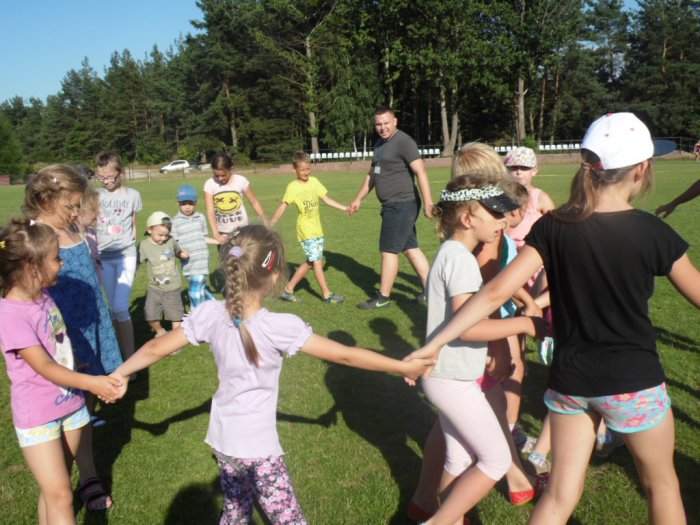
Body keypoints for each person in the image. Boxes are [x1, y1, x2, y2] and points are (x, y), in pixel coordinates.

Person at [407, 112, 700, 525]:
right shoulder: (653, 232)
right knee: (662, 486)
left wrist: (434, 343)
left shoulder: (554, 227)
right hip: (633, 382)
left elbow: (495, 292)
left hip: (570, 384)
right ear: (642, 169)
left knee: (559, 496)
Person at [109, 224, 434, 524]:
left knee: (236, 511)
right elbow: (345, 355)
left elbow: (156, 348)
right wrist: (402, 366)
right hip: (258, 449)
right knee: (287, 519)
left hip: (223, 441)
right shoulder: (279, 327)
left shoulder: (208, 314)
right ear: (274, 274)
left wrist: (120, 373)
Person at [410, 175, 544, 525]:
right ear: (468, 218)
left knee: (458, 459)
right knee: (496, 461)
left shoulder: (452, 253)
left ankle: (445, 516)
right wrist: (525, 324)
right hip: (452, 380)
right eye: (495, 214)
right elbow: (469, 327)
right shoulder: (461, 260)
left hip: (450, 375)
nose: (503, 221)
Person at [0, 219, 122, 524]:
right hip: (39, 415)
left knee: (57, 488)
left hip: (71, 405)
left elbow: (56, 345)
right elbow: (44, 366)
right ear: (32, 267)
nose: (62, 263)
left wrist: (74, 366)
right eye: (56, 258)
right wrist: (92, 382)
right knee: (61, 496)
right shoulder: (10, 315)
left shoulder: (44, 297)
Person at [24, 164, 124, 511]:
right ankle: (59, 483)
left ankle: (89, 473)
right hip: (64, 336)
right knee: (67, 406)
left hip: (92, 325)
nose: (76, 212)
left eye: (78, 206)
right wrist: (61, 348)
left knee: (86, 407)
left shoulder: (73, 227)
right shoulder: (34, 238)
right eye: (70, 206)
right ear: (45, 200)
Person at [349, 107, 434, 309]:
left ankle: (383, 297)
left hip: (401, 204)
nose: (382, 127)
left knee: (388, 250)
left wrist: (428, 202)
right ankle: (432, 291)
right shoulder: (379, 144)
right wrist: (358, 199)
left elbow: (421, 172)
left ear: (395, 121)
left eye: (386, 123)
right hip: (392, 205)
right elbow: (372, 175)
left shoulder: (404, 141)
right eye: (378, 124)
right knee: (410, 248)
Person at [270, 151, 348, 304]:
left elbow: (326, 199)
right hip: (306, 231)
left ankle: (288, 290)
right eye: (302, 170)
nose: (306, 172)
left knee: (311, 262)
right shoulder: (292, 187)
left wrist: (344, 208)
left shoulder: (315, 182)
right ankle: (327, 294)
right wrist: (271, 222)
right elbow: (283, 206)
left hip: (317, 229)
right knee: (317, 261)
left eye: (308, 168)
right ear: (295, 169)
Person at [95, 151, 142, 362]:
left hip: (125, 256)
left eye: (109, 176)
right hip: (103, 258)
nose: (105, 181)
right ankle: (117, 357)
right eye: (101, 177)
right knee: (113, 310)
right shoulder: (95, 196)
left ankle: (130, 359)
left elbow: (133, 223)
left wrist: (133, 249)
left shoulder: (133, 195)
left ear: (120, 172)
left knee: (120, 307)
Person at [140, 212, 189, 337]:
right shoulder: (144, 245)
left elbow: (178, 251)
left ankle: (174, 338)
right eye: (160, 235)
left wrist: (183, 255)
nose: (163, 238)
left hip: (173, 287)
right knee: (150, 314)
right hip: (154, 288)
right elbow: (136, 262)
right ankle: (160, 331)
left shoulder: (171, 241)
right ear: (149, 230)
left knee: (176, 316)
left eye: (166, 235)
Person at [204, 152, 267, 245]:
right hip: (223, 234)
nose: (220, 178)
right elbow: (210, 211)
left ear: (231, 169)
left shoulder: (240, 181)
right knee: (228, 255)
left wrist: (265, 221)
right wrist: (216, 234)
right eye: (217, 176)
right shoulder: (210, 184)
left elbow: (254, 202)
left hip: (243, 231)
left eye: (223, 175)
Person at [171, 184, 217, 309]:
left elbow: (203, 238)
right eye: (183, 203)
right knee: (198, 289)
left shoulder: (200, 217)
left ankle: (200, 312)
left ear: (195, 203)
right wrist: (180, 254)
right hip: (189, 264)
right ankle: (207, 309)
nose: (187, 207)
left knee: (197, 290)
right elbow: (173, 244)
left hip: (202, 262)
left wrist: (218, 241)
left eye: (190, 203)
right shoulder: (175, 222)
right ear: (178, 203)